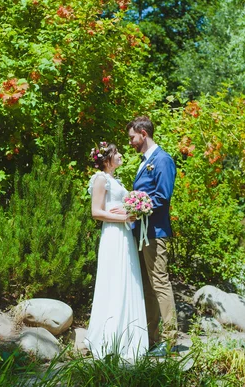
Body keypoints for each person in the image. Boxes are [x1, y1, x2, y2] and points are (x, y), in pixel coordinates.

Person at [84, 142, 149, 361]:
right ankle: (108, 337)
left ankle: (127, 336)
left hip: (124, 235)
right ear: (106, 159)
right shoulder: (101, 179)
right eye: (116, 153)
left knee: (126, 280)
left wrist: (134, 210)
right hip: (113, 234)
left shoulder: (115, 180)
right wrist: (124, 218)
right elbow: (96, 212)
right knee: (114, 280)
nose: (120, 155)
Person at [123, 115, 178, 356]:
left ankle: (169, 339)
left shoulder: (162, 160)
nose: (130, 142)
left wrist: (137, 207)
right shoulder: (144, 161)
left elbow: (162, 197)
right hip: (142, 232)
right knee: (147, 287)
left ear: (143, 134)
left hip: (155, 233)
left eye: (132, 137)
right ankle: (152, 339)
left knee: (160, 283)